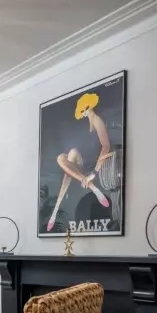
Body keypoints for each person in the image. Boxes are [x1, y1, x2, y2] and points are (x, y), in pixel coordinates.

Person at [46, 92, 114, 232]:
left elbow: (106, 146)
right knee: (65, 157)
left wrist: (94, 173)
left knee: (71, 155)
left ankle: (55, 210)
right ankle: (92, 189)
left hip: (91, 164)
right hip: (81, 165)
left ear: (89, 106)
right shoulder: (88, 122)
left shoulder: (97, 120)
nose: (82, 113)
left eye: (83, 110)